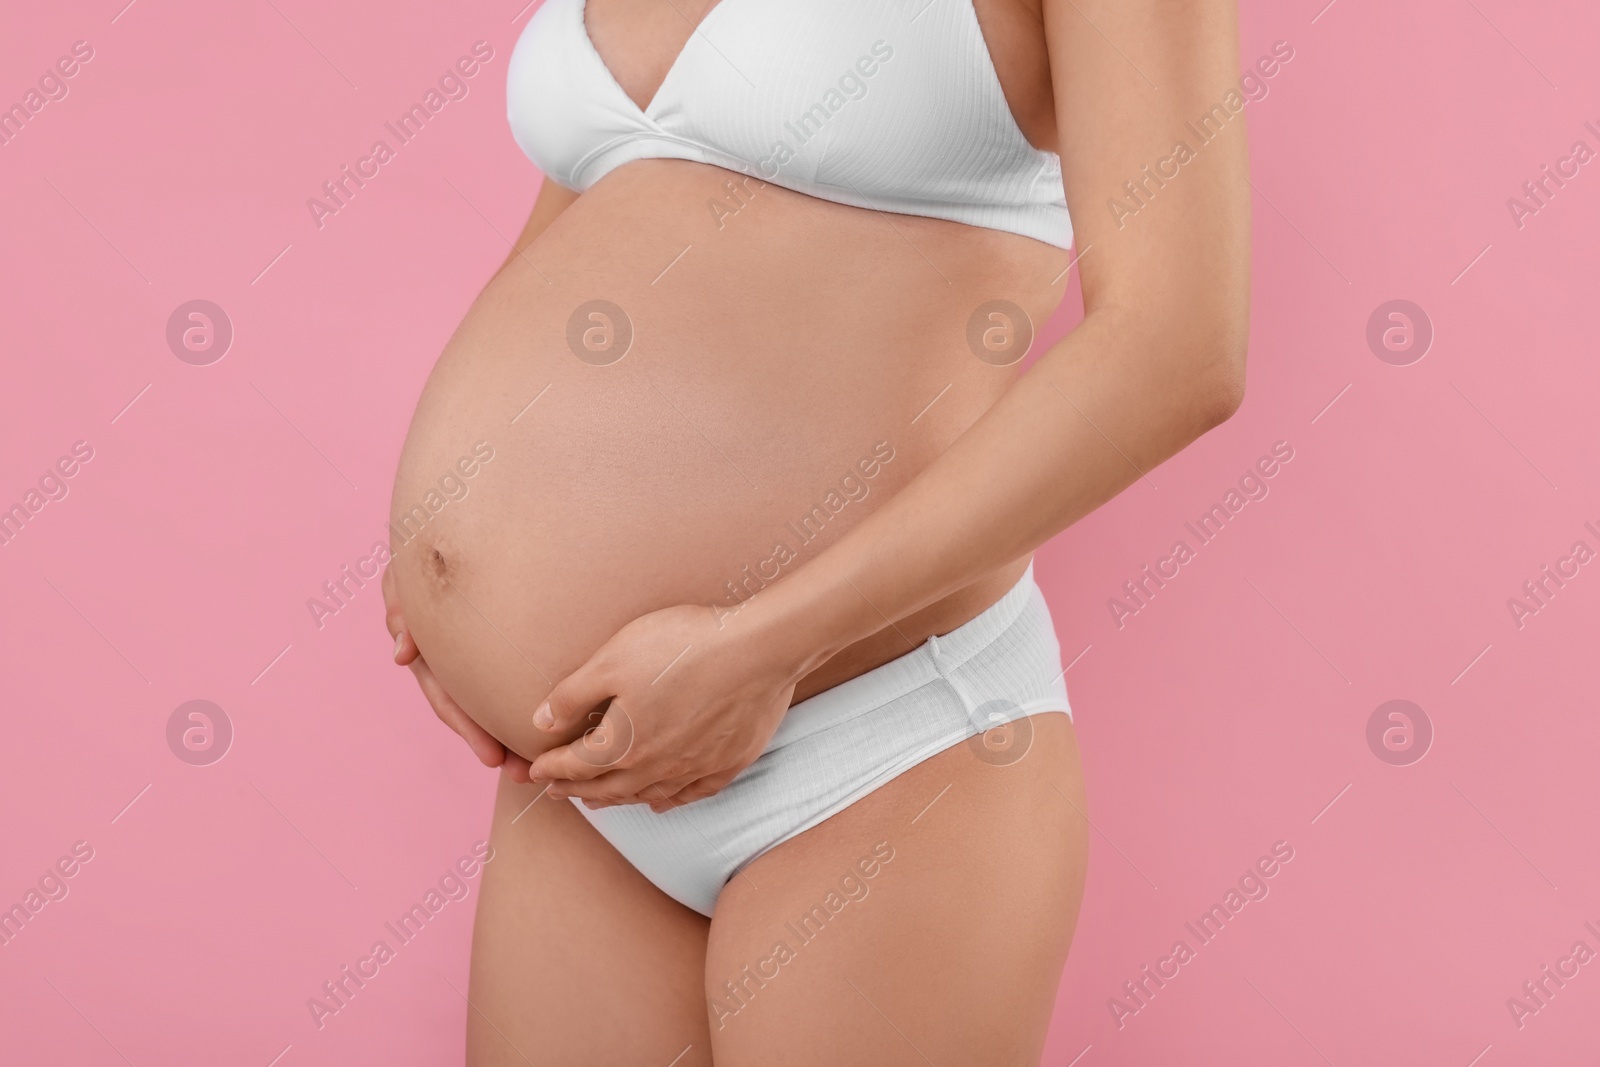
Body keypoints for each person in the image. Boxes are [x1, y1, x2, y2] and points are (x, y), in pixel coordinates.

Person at [382, 0, 1249, 1061]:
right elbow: (602, 198)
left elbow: (1177, 345)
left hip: (871, 746)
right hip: (591, 765)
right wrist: (440, 551)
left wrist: (766, 647)